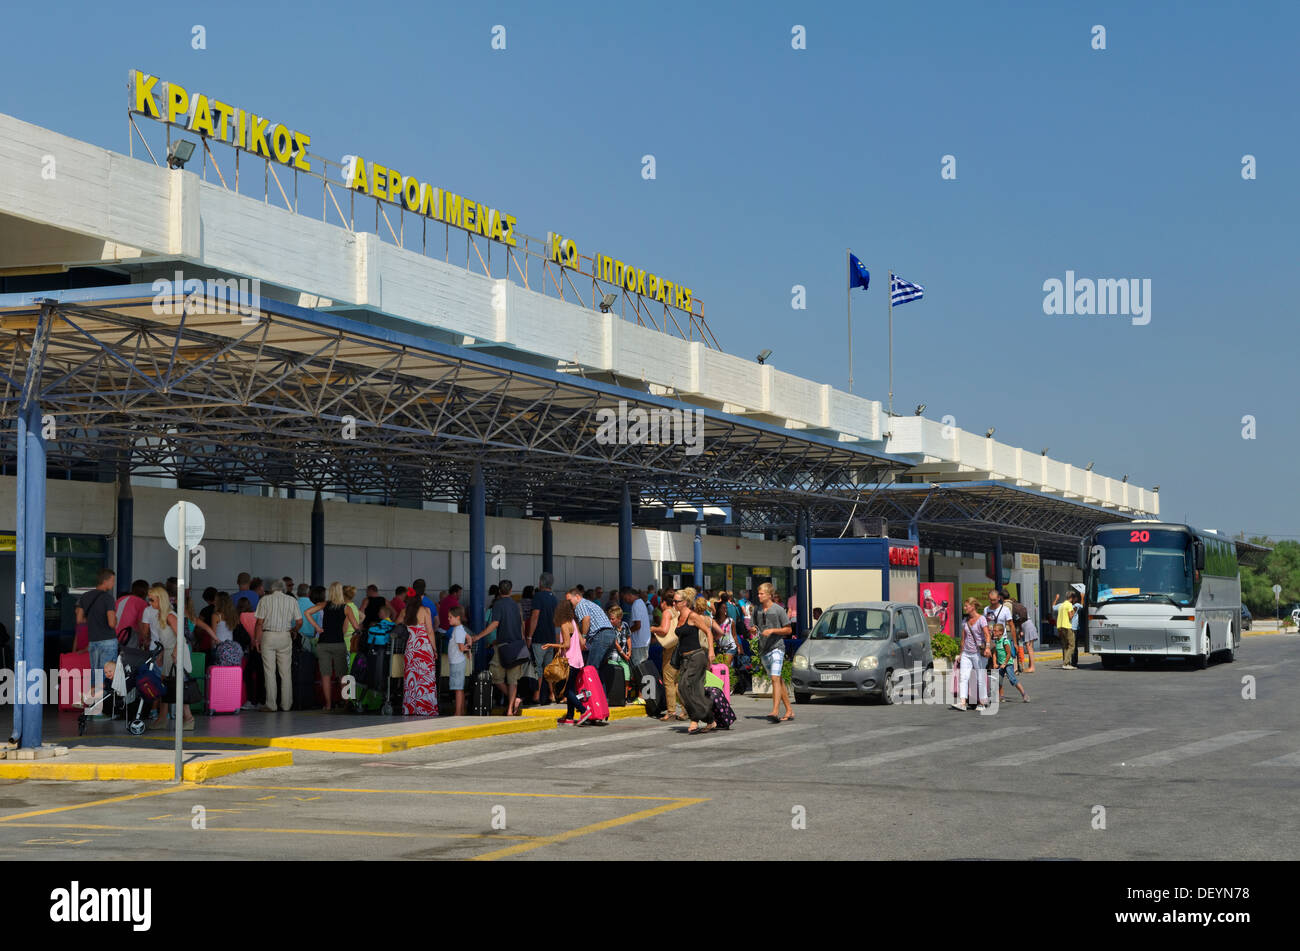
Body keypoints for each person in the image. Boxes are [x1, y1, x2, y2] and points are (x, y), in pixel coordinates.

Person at [672, 589, 723, 735]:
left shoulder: (692, 616)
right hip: (685, 659)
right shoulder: (679, 616)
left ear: (685, 602)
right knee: (693, 690)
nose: (674, 603)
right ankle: (710, 720)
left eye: (676, 601)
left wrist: (711, 652)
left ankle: (695, 719)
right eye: (673, 601)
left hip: (697, 656)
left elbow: (708, 631)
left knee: (683, 686)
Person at [472, 580, 526, 715]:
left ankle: (514, 702)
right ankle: (510, 709)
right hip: (517, 645)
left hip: (502, 646)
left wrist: (479, 636)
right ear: (511, 590)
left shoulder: (498, 604)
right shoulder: (516, 605)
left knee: (496, 676)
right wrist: (524, 639)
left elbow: (495, 624)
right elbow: (521, 624)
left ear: (499, 591)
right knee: (513, 680)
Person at [146, 585, 196, 731]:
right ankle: (163, 717)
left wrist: (174, 652)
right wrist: (162, 654)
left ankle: (188, 718)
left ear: (160, 600)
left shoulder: (169, 616)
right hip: (170, 652)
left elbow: (181, 636)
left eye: (152, 600)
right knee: (167, 685)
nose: (150, 603)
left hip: (176, 652)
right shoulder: (161, 615)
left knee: (178, 685)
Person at [306, 583, 359, 713]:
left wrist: (317, 628)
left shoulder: (325, 605)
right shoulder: (346, 608)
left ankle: (328, 705)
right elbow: (357, 627)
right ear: (341, 592)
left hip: (323, 644)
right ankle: (346, 703)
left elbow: (307, 612)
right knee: (343, 675)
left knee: (326, 676)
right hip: (339, 644)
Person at [253, 579, 302, 712]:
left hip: (268, 636)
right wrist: (294, 630)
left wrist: (257, 640)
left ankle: (271, 704)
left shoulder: (264, 600)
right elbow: (299, 621)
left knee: (269, 672)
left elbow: (259, 623)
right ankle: (286, 705)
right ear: (284, 588)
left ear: (272, 589)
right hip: (285, 636)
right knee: (286, 673)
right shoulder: (291, 600)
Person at [77, 570, 119, 717]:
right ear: (106, 581)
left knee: (95, 675)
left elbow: (79, 620)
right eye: (112, 581)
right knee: (107, 676)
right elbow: (111, 623)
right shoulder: (108, 598)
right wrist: (116, 619)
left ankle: (93, 708)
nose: (113, 584)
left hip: (93, 642)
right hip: (108, 641)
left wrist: (94, 621)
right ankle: (101, 710)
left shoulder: (85, 596)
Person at [755, 582, 793, 723]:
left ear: (769, 595)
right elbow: (755, 626)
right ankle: (789, 710)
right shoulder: (757, 610)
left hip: (777, 647)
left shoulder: (779, 610)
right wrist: (753, 630)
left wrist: (773, 630)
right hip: (763, 649)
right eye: (758, 593)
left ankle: (775, 711)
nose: (759, 596)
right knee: (778, 680)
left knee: (775, 679)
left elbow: (789, 630)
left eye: (761, 593)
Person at [401, 596, 439, 716]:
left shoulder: (405, 611)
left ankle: (410, 708)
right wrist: (435, 649)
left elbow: (396, 623)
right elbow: (430, 631)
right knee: (425, 677)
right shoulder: (425, 610)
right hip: (423, 646)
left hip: (411, 646)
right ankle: (426, 708)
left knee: (411, 677)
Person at [567, 587, 618, 678]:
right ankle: (600, 692)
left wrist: (583, 637)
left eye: (569, 600)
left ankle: (591, 692)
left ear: (577, 597)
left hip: (601, 635)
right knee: (600, 670)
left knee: (590, 669)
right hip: (610, 635)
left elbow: (586, 619)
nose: (568, 603)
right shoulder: (589, 604)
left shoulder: (580, 604)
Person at [651, 587, 684, 721]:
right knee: (676, 681)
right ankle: (685, 709)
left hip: (670, 648)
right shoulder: (677, 611)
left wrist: (653, 628)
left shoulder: (667, 612)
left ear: (664, 601)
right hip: (679, 646)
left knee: (668, 679)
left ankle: (671, 711)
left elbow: (664, 630)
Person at [953, 598, 992, 711]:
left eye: (966, 606)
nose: (964, 608)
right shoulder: (965, 620)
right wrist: (961, 653)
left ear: (973, 606)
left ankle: (982, 702)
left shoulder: (981, 619)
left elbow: (987, 634)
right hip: (966, 653)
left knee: (980, 677)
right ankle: (963, 703)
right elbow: (963, 638)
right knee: (963, 677)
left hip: (978, 653)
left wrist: (988, 647)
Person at [554, 598, 588, 726]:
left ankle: (583, 710)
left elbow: (566, 645)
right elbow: (582, 642)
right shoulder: (573, 622)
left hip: (569, 661)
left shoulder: (564, 624)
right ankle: (569, 716)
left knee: (565, 691)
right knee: (571, 690)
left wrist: (552, 645)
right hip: (578, 661)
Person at [528, 573, 560, 704]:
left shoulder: (538, 597)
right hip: (551, 638)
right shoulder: (555, 599)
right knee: (548, 668)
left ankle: (536, 695)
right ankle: (551, 694)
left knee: (538, 668)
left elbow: (535, 617)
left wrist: (529, 636)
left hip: (539, 638)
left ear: (541, 582)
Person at [991, 623, 1029, 703]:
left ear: (1001, 632)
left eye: (995, 631)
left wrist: (1005, 663)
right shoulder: (996, 641)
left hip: (1008, 664)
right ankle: (1001, 696)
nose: (993, 632)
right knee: (999, 681)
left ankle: (1024, 694)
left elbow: (1008, 654)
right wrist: (994, 663)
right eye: (993, 631)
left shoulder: (1005, 641)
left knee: (1012, 679)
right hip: (1000, 664)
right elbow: (994, 653)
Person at [445, 605, 471, 716]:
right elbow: (469, 638)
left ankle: (458, 712)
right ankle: (461, 711)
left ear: (458, 617)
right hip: (457, 661)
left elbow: (461, 648)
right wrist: (469, 648)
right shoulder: (460, 629)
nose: (448, 619)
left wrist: (466, 648)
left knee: (458, 689)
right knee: (459, 688)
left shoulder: (458, 631)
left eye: (450, 617)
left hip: (457, 662)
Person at [624, 587, 652, 669]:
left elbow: (637, 625)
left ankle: (640, 682)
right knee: (642, 667)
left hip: (638, 643)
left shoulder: (635, 605)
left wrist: (626, 633)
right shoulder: (641, 602)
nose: (625, 601)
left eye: (625, 598)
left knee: (638, 668)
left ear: (629, 595)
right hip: (643, 641)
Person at [1052, 592, 1078, 670]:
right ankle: (1066, 663)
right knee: (1072, 645)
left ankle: (1067, 663)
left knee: (1065, 646)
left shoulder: (1062, 605)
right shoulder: (1069, 605)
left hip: (1060, 627)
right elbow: (1070, 616)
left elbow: (1053, 607)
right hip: (1067, 627)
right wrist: (1074, 611)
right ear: (1072, 598)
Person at [297, 584, 319, 653]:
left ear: (297, 593)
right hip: (310, 638)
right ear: (309, 593)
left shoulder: (293, 605)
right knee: (308, 660)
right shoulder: (314, 607)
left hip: (295, 637)